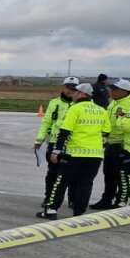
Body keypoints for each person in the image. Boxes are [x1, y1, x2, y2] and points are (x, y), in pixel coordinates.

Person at [43, 83, 109, 219]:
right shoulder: (101, 110)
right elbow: (106, 131)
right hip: (95, 155)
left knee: (61, 181)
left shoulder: (75, 108)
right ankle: (79, 214)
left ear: (82, 94)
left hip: (74, 154)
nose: (73, 94)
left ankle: (51, 210)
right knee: (85, 184)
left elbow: (64, 131)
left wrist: (56, 151)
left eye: (75, 92)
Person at [34, 77, 78, 216]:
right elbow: (46, 122)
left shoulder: (80, 104)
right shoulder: (54, 103)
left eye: (74, 88)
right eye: (68, 87)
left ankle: (73, 199)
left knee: (73, 174)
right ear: (63, 88)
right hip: (54, 142)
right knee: (52, 174)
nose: (71, 91)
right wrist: (39, 139)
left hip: (73, 144)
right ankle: (49, 198)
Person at [91, 79, 130, 209]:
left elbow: (126, 124)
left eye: (115, 89)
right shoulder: (114, 102)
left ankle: (120, 201)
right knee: (109, 174)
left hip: (120, 144)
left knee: (120, 175)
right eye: (112, 88)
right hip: (111, 142)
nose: (111, 91)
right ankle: (107, 199)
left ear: (125, 91)